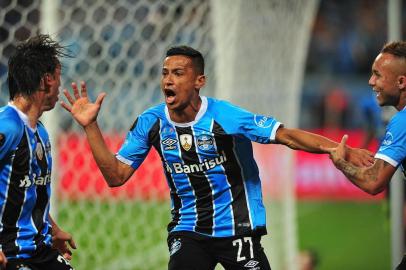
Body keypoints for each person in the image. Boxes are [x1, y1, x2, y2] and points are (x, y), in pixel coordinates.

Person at [61, 46, 372, 270]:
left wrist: (334, 147)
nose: (168, 80)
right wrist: (91, 127)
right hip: (188, 231)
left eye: (178, 73)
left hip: (237, 230)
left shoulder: (225, 116)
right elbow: (115, 176)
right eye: (165, 73)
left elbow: (286, 135)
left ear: (199, 81)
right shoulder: (151, 122)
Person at [322, 41, 406, 270]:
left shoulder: (402, 122)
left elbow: (373, 182)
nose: (371, 82)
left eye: (377, 75)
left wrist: (341, 163)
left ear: (401, 82)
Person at [0, 35, 76, 270]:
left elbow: (32, 192)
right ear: (47, 81)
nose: (60, 87)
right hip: (10, 254)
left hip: (39, 249)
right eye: (58, 79)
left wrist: (53, 230)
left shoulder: (40, 132)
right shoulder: (7, 127)